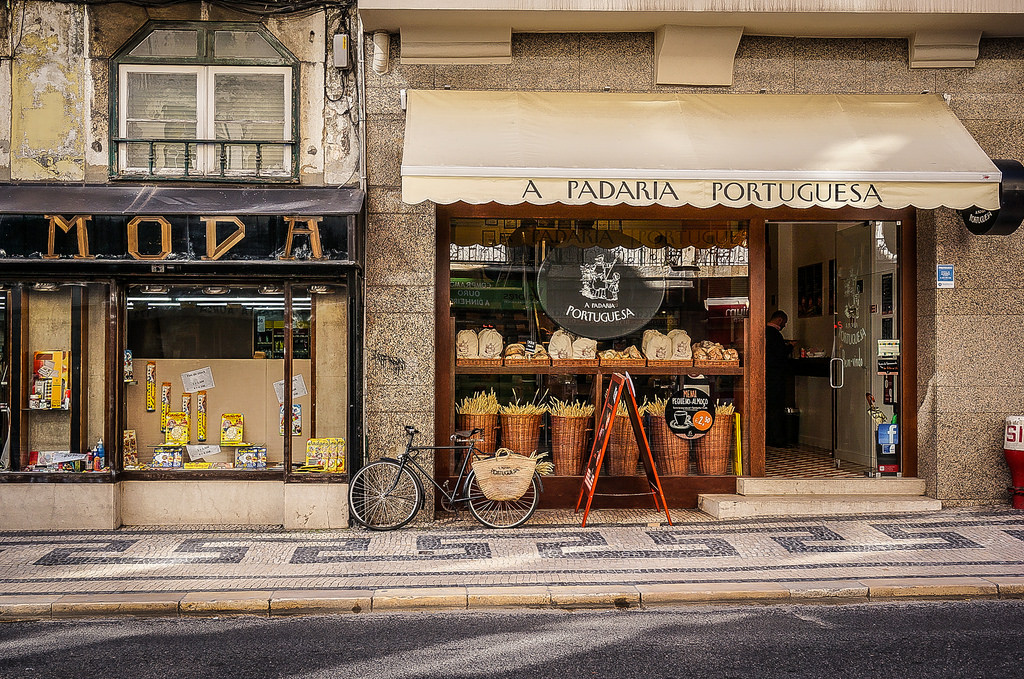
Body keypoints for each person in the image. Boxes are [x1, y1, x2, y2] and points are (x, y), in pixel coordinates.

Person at [765, 310, 792, 447]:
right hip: (775, 377)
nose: (785, 326)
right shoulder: (775, 335)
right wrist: (790, 348)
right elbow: (781, 354)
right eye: (785, 322)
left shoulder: (762, 332)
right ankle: (778, 439)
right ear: (780, 320)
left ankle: (767, 438)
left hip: (765, 376)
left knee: (767, 408)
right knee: (776, 408)